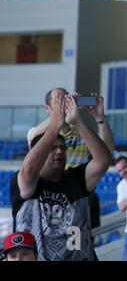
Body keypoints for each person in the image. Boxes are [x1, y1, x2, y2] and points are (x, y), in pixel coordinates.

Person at [10, 92, 112, 261]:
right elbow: (28, 170)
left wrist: (78, 122)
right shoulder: (24, 181)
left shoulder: (76, 178)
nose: (59, 151)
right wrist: (55, 125)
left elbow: (103, 160)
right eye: (51, 147)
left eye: (62, 148)